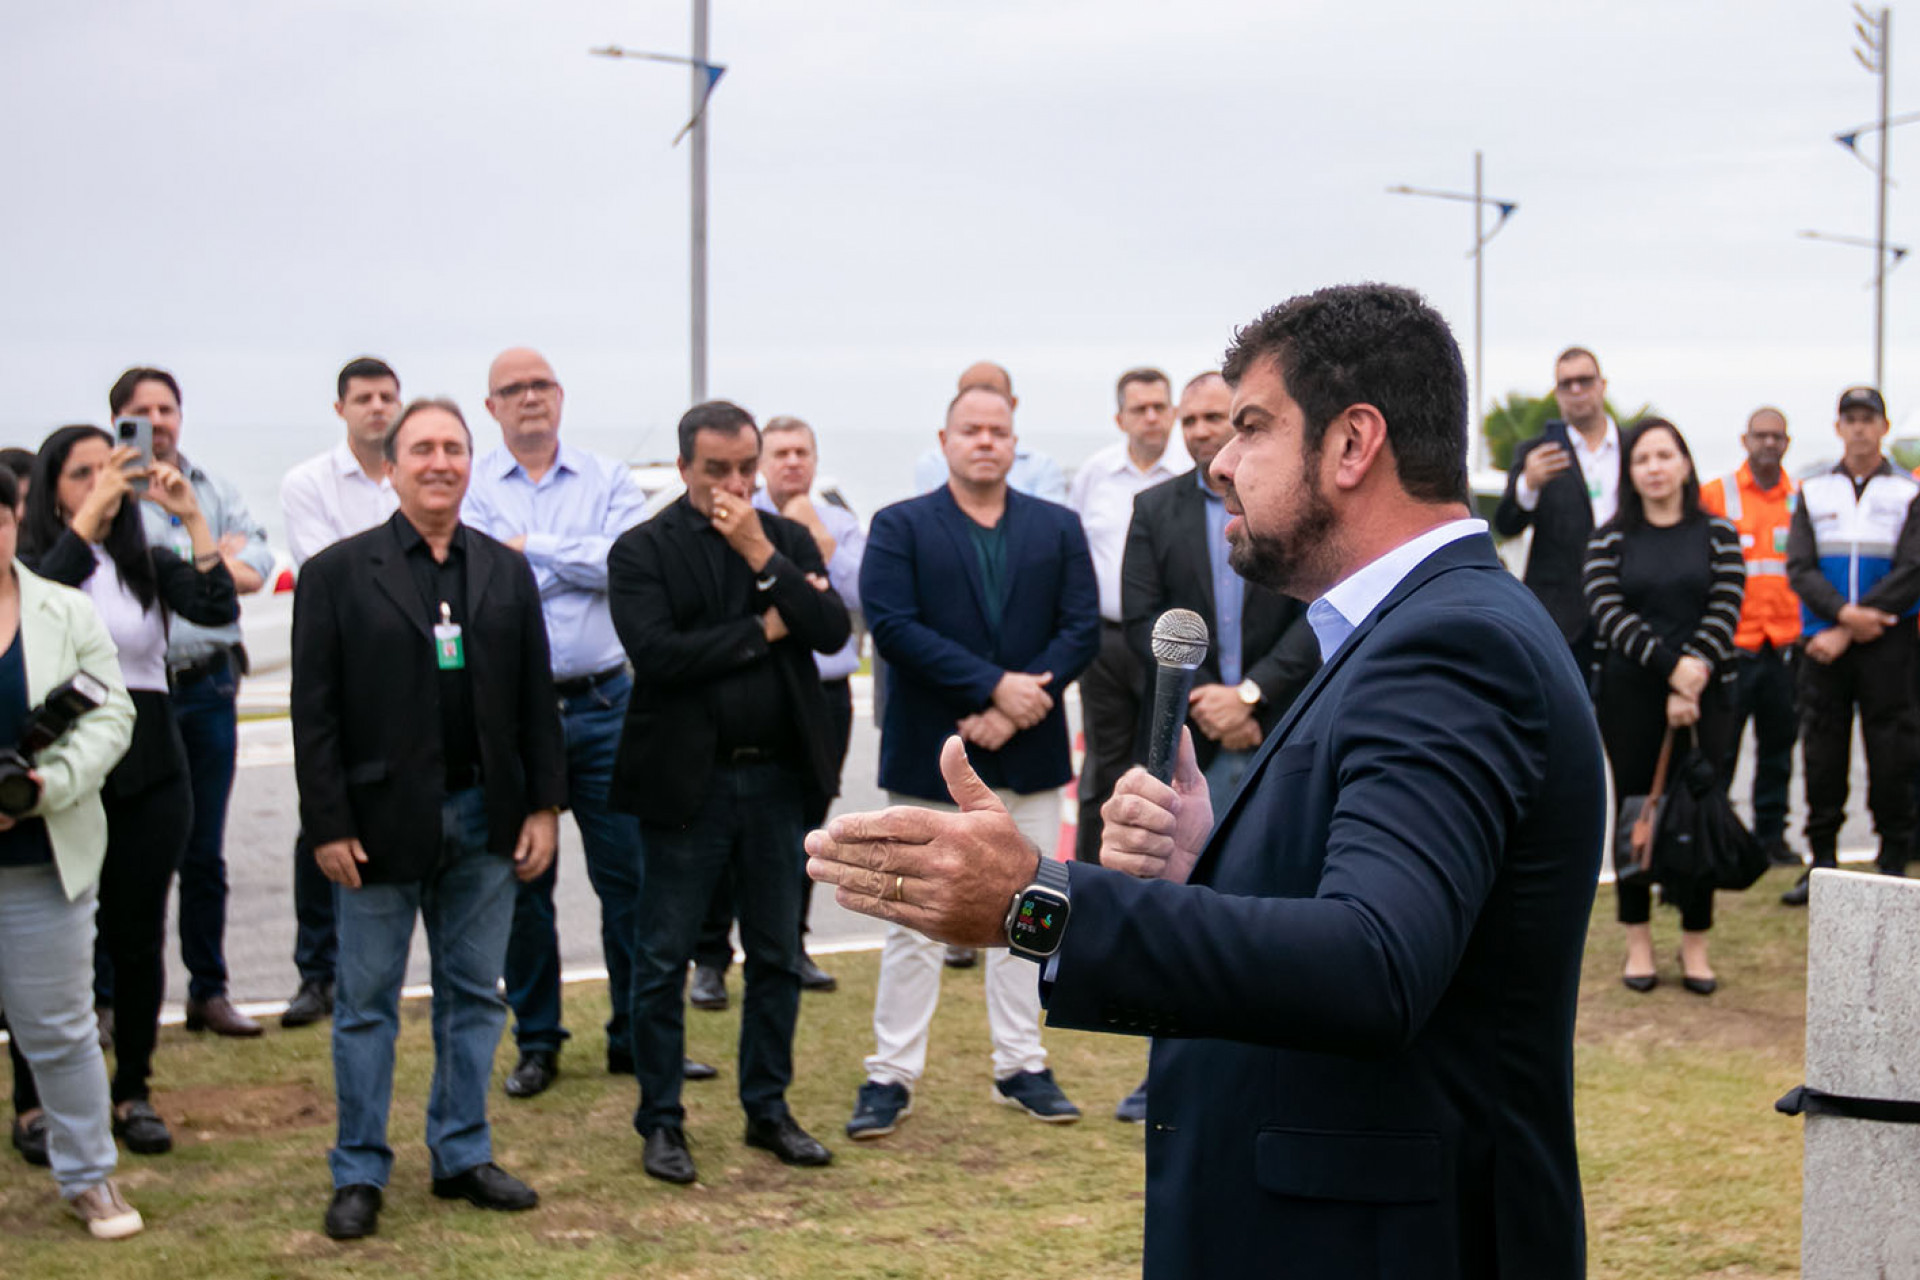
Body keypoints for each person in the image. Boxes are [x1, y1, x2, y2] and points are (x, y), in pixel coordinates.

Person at [807, 284, 1602, 1279]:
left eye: (1253, 427)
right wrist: (1207, 858)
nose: (1219, 462)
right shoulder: (1408, 631)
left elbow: (1373, 962)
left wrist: (1034, 905)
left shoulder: (1450, 644)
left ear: (1354, 443)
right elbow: (1365, 903)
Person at [291, 398, 565, 1240]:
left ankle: (460, 1152)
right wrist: (329, 825)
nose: (439, 461)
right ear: (393, 465)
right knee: (367, 1003)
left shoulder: (503, 570)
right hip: (375, 826)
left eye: (453, 447)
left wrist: (544, 808)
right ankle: (359, 1169)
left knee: (475, 999)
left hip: (487, 819)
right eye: (422, 449)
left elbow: (533, 701)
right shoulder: (339, 573)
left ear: (469, 462)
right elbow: (317, 713)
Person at [844, 383, 1099, 1143]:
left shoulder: (1056, 526)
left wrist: (1020, 701)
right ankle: (890, 1075)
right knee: (911, 919)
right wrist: (991, 688)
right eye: (971, 430)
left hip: (1032, 748)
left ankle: (1021, 1064)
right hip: (933, 749)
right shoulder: (900, 525)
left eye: (998, 430)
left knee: (1031, 912)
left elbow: (1079, 627)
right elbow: (893, 627)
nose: (985, 441)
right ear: (945, 439)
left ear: (1014, 441)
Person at [608, 400, 849, 1186]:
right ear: (684, 470)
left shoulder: (778, 536)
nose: (736, 483)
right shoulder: (641, 551)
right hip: (687, 787)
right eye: (718, 470)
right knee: (662, 959)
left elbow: (829, 628)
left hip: (777, 780)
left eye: (747, 468)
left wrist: (760, 553)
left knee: (777, 954)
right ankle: (662, 1120)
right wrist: (763, 630)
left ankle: (767, 1110)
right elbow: (661, 655)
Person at [462, 347, 688, 1099]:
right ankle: (539, 1040)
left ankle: (636, 1034)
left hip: (604, 703)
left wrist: (533, 551)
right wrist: (570, 561)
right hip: (514, 715)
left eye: (541, 385)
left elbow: (627, 561)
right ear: (491, 406)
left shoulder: (607, 479)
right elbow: (480, 576)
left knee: (630, 878)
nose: (529, 398)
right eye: (512, 389)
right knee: (523, 883)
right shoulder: (472, 485)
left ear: (560, 397)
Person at [12, 424, 238, 1159]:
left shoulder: (147, 562)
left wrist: (192, 517)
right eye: (81, 472)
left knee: (136, 936)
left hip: (149, 753)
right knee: (50, 941)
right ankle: (35, 1102)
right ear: (51, 489)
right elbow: (45, 578)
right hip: (64, 752)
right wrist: (86, 520)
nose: (100, 482)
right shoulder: (35, 573)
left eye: (108, 470)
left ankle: (133, 1088)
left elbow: (215, 608)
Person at [1110, 369, 1319, 1122]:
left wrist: (1253, 695)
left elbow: (1313, 610)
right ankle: (1166, 1065)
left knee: (1273, 895)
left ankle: (1271, 1056)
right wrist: (1203, 697)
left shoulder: (1278, 501)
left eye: (1213, 418)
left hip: (1274, 725)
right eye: (1190, 419)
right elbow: (1140, 619)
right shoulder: (1153, 509)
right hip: (1185, 736)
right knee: (1175, 909)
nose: (1200, 430)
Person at [0, 466, 142, 1237]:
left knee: (61, 1029)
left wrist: (48, 784)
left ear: (16, 517)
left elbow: (111, 717)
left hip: (43, 858)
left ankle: (89, 1178)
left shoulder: (65, 608)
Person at [113, 368, 273, 1040]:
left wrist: (201, 551)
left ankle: (209, 991)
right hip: (133, 693)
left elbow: (255, 567)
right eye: (144, 410)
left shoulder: (210, 488)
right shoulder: (109, 491)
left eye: (168, 408)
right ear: (121, 419)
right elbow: (128, 571)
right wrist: (203, 553)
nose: (161, 420)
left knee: (203, 850)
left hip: (206, 683)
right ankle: (110, 1003)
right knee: (119, 852)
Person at [690, 414, 861, 1004]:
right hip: (753, 685)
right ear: (764, 464)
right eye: (781, 453)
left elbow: (853, 603)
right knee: (720, 830)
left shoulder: (839, 522)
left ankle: (792, 941)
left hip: (824, 694)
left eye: (802, 452)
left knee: (806, 825)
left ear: (814, 460)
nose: (792, 462)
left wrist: (820, 545)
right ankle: (711, 954)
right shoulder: (738, 521)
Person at [1583, 419, 1745, 995]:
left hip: (1708, 696)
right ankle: (1638, 942)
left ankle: (1696, 944)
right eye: (1642, 458)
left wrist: (1693, 672)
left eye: (1664, 455)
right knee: (1636, 811)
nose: (1654, 467)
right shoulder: (1610, 538)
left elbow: (1727, 603)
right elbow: (1607, 610)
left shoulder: (1718, 533)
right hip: (1630, 697)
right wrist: (1670, 668)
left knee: (1698, 808)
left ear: (1684, 463)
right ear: (1630, 472)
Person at [276, 356, 403, 1029]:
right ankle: (316, 972)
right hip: (345, 670)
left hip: (415, 675)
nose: (377, 408)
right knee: (323, 824)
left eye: (387, 396)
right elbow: (328, 572)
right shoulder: (309, 483)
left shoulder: (418, 473)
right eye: (364, 398)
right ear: (341, 409)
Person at [1782, 386, 1920, 905]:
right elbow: (1799, 566)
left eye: (1869, 419)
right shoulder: (1812, 491)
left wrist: (1856, 623)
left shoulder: (1909, 491)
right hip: (1824, 645)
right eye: (1851, 420)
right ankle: (1821, 864)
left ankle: (1891, 862)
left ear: (1883, 428)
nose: (1860, 428)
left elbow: (1914, 568)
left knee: (1893, 750)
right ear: (1837, 428)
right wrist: (1839, 618)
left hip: (1889, 643)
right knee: (1822, 752)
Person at [1067, 368, 1189, 863]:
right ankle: (1090, 884)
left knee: (1166, 766)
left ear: (1173, 411)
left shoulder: (1188, 475)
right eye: (1140, 408)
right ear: (1120, 418)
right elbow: (1074, 550)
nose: (1151, 417)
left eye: (1160, 406)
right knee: (1103, 769)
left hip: (1171, 644)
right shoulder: (1095, 474)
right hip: (1106, 643)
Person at [1699, 408, 1803, 869]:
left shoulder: (1802, 499)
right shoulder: (1715, 495)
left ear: (1787, 442)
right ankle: (1718, 836)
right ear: (1745, 439)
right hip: (1733, 645)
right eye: (1760, 435)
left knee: (1779, 749)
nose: (1768, 443)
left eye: (1776, 436)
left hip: (1784, 646)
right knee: (1720, 749)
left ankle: (1771, 837)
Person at [1494, 346, 1626, 662]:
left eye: (1584, 380)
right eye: (1566, 383)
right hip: (1561, 617)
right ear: (1557, 392)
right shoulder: (1536, 452)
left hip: (1627, 606)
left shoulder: (1633, 446)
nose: (1576, 390)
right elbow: (1506, 524)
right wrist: (1528, 485)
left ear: (1602, 385)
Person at [912, 362, 1066, 502]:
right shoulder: (932, 464)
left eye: (994, 395)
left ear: (1012, 403)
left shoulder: (1041, 467)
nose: (985, 442)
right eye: (972, 394)